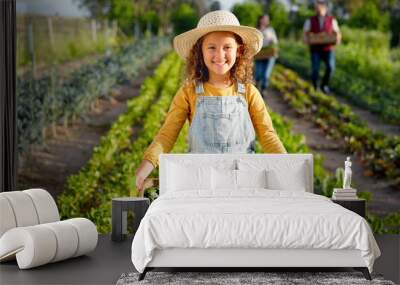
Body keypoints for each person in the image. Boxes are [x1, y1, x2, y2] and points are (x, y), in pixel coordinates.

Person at [135, 10, 287, 195]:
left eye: (227, 47)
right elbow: (167, 135)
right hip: (201, 182)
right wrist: (147, 165)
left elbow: (267, 135)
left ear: (238, 51)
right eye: (211, 47)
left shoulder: (248, 92)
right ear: (200, 51)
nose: (219, 54)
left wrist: (287, 166)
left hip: (243, 183)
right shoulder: (189, 92)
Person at [303, 0, 341, 93]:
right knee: (315, 69)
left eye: (319, 7)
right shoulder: (310, 20)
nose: (318, 9)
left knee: (330, 67)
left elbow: (337, 33)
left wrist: (338, 39)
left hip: (328, 48)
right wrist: (306, 39)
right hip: (315, 49)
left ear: (325, 8)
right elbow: (305, 33)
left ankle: (324, 85)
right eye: (316, 7)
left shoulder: (332, 20)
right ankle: (316, 86)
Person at [255, 15, 278, 96]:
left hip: (269, 54)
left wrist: (272, 43)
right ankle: (256, 88)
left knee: (266, 74)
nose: (266, 21)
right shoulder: (256, 30)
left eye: (267, 19)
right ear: (260, 20)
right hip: (259, 54)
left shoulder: (270, 30)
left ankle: (264, 89)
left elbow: (275, 41)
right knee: (258, 73)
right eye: (264, 19)